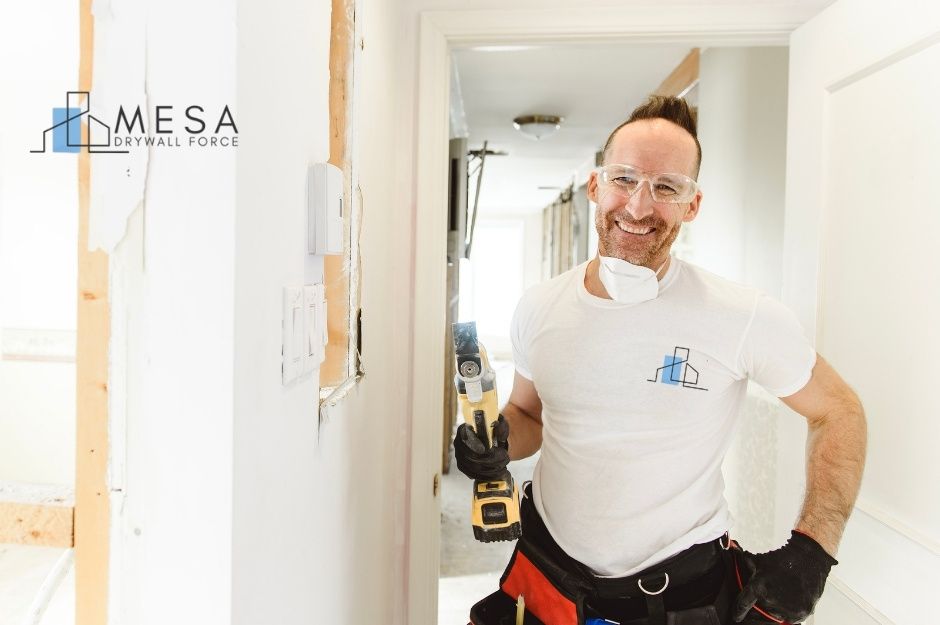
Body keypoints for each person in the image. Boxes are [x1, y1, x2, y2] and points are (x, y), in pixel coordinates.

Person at [454, 96, 867, 625]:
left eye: (667, 187)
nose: (639, 207)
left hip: (679, 595)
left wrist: (813, 551)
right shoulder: (541, 306)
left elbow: (839, 411)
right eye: (624, 179)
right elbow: (529, 416)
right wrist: (497, 442)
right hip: (547, 581)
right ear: (595, 186)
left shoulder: (742, 315)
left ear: (692, 205)